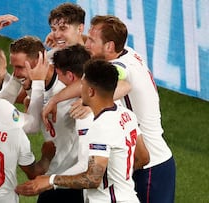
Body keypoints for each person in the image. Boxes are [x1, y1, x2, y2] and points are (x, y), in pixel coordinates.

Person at [42, 15, 175, 203]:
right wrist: (54, 99)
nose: (87, 44)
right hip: (142, 158)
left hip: (150, 166)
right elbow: (87, 53)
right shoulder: (126, 51)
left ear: (109, 46)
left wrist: (94, 99)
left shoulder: (119, 67)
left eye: (92, 40)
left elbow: (123, 85)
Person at [16, 59, 142, 203]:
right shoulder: (127, 115)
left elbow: (92, 178)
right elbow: (143, 157)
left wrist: (50, 180)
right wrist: (117, 174)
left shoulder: (100, 125)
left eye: (82, 84)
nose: (78, 88)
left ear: (90, 91)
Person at [0, 46, 56, 203]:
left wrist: (16, 81)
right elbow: (33, 124)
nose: (8, 73)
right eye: (4, 69)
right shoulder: (4, 112)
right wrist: (38, 83)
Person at [10, 36, 83, 203]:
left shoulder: (70, 89)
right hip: (53, 177)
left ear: (39, 62)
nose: (15, 74)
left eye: (20, 67)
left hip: (73, 182)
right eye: (13, 67)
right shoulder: (34, 86)